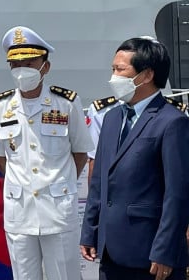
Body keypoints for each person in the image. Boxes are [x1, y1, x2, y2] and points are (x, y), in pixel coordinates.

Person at [0, 25, 93, 280]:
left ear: (46, 66)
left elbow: (80, 151)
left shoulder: (66, 102)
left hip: (58, 209)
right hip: (20, 211)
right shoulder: (0, 106)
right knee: (24, 276)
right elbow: (0, 157)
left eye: (30, 61)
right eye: (16, 63)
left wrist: (59, 182)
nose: (22, 69)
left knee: (64, 275)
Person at [80, 37, 189, 280]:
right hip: (111, 251)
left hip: (151, 255)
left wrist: (165, 250)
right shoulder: (111, 119)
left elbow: (177, 194)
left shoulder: (172, 121)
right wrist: (90, 231)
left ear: (146, 75)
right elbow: (99, 181)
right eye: (113, 69)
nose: (114, 77)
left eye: (120, 70)